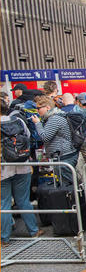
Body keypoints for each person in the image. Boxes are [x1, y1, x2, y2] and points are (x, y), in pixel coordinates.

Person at [1, 99, 43, 246]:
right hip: (22, 165)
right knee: (23, 200)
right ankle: (34, 231)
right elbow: (28, 137)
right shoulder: (18, 121)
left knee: (3, 203)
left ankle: (4, 238)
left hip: (3, 170)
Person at [31, 95, 78, 186]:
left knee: (67, 186)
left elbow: (45, 137)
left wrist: (37, 124)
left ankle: (71, 200)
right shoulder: (53, 117)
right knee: (66, 184)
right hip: (63, 155)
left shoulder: (54, 118)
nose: (37, 111)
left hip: (64, 156)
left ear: (48, 107)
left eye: (39, 108)